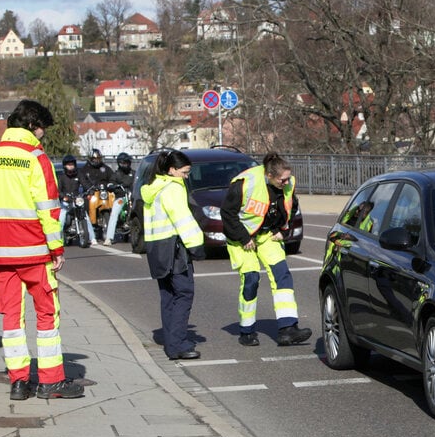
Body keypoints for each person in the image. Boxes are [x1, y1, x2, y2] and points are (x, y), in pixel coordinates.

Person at [0, 99, 84, 401]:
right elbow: (48, 208)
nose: (42, 135)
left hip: (0, 255)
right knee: (47, 316)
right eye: (41, 129)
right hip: (34, 252)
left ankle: (19, 382)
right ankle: (51, 382)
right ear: (33, 126)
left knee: (11, 320)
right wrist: (57, 248)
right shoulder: (35, 157)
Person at [221, 152, 311, 347]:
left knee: (282, 275)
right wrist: (244, 238)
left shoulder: (288, 183)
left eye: (288, 178)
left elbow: (291, 207)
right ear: (269, 176)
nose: (287, 183)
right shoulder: (245, 183)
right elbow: (227, 214)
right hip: (241, 238)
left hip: (267, 235)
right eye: (282, 179)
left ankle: (288, 328)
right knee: (251, 279)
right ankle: (247, 331)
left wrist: (283, 230)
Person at [141, 149, 206, 360]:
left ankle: (171, 343)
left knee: (168, 296)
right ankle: (178, 344)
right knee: (184, 294)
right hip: (175, 249)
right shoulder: (173, 188)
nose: (186, 177)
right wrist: (197, 245)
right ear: (172, 170)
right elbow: (182, 219)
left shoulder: (153, 188)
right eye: (184, 172)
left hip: (157, 249)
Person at [78, 149, 114, 245]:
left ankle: (110, 228)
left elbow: (112, 177)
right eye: (95, 159)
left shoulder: (105, 168)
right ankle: (90, 225)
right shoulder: (85, 169)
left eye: (99, 159)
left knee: (113, 201)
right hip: (92, 193)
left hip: (104, 193)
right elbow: (83, 180)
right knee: (87, 205)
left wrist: (111, 184)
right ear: (90, 159)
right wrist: (89, 188)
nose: (97, 161)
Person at [57, 154, 93, 243]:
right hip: (66, 202)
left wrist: (90, 191)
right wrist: (63, 197)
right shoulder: (62, 177)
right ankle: (58, 239)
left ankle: (92, 238)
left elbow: (85, 184)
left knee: (86, 217)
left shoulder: (78, 175)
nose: (70, 166)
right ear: (65, 166)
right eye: (68, 165)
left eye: (72, 164)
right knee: (61, 218)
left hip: (76, 199)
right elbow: (58, 190)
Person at [102, 152, 134, 245]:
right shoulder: (116, 174)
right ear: (119, 163)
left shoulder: (133, 173)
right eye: (123, 163)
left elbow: (139, 181)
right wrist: (112, 186)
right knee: (114, 213)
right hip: (121, 197)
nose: (125, 165)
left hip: (132, 197)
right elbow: (110, 183)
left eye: (127, 163)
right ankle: (109, 238)